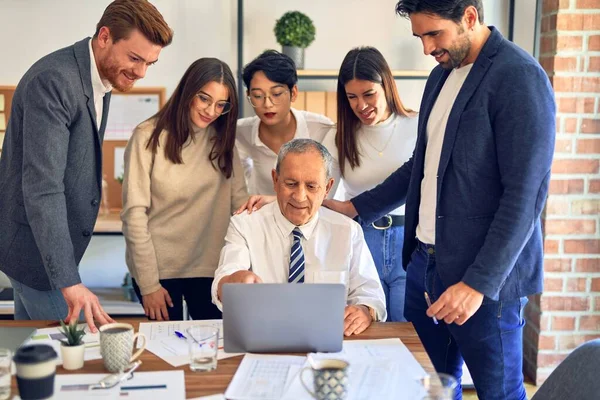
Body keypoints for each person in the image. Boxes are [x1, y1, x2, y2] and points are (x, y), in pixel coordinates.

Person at [324, 1, 555, 398]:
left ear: (469, 17)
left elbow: (525, 196)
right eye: (420, 37)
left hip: (484, 284)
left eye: (434, 34)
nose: (427, 49)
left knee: (498, 393)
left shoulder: (519, 77)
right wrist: (354, 208)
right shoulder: (439, 77)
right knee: (424, 388)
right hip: (424, 268)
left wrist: (477, 284)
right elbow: (422, 164)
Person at [0, 0, 173, 331]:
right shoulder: (55, 81)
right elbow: (43, 187)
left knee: (37, 355)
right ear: (105, 37)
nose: (141, 73)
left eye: (150, 63)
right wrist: (69, 281)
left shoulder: (99, 77)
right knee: (69, 353)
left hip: (35, 252)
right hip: (34, 254)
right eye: (135, 58)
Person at [212, 139, 386, 336]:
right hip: (262, 337)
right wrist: (233, 281)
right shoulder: (245, 225)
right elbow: (222, 282)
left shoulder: (348, 231)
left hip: (329, 344)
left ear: (327, 188)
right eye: (291, 184)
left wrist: (364, 310)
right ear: (275, 180)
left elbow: (372, 295)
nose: (300, 196)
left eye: (311, 186)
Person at [121, 58, 248, 322]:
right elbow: (134, 215)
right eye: (204, 99)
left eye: (221, 104)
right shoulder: (147, 136)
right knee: (166, 351)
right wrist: (149, 285)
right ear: (188, 92)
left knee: (216, 350)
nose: (211, 110)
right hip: (159, 272)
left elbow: (241, 206)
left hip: (211, 269)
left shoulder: (223, 142)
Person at [322, 46, 418, 322]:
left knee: (407, 332)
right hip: (362, 240)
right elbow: (317, 190)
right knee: (363, 328)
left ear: (386, 86)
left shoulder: (418, 126)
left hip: (408, 241)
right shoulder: (340, 136)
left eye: (368, 94)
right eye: (351, 97)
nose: (361, 105)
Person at [236, 50, 334, 195]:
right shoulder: (242, 131)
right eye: (258, 95)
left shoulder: (322, 128)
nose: (267, 104)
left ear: (293, 93)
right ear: (249, 95)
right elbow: (239, 180)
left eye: (276, 94)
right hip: (263, 214)